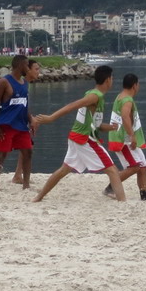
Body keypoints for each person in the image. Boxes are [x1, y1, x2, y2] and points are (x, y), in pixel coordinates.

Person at [33, 65, 127, 202]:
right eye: (112, 78)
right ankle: (123, 202)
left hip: (76, 137)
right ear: (107, 80)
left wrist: (111, 127)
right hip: (84, 139)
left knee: (63, 170)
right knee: (112, 170)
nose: (112, 80)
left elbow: (97, 125)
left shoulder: (95, 94)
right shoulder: (95, 96)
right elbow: (72, 105)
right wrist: (51, 117)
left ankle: (38, 197)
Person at [0, 55, 38, 190]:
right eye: (27, 65)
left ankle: (25, 184)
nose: (28, 68)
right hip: (6, 124)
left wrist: (30, 120)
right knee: (1, 154)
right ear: (20, 65)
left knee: (28, 152)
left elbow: (24, 105)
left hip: (21, 125)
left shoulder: (24, 83)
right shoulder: (4, 82)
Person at [106, 73, 146, 200]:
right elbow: (125, 117)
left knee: (143, 167)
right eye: (138, 84)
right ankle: (110, 188)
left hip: (126, 138)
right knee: (135, 166)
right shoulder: (127, 100)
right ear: (135, 85)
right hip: (123, 140)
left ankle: (144, 196)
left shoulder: (121, 96)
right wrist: (132, 136)